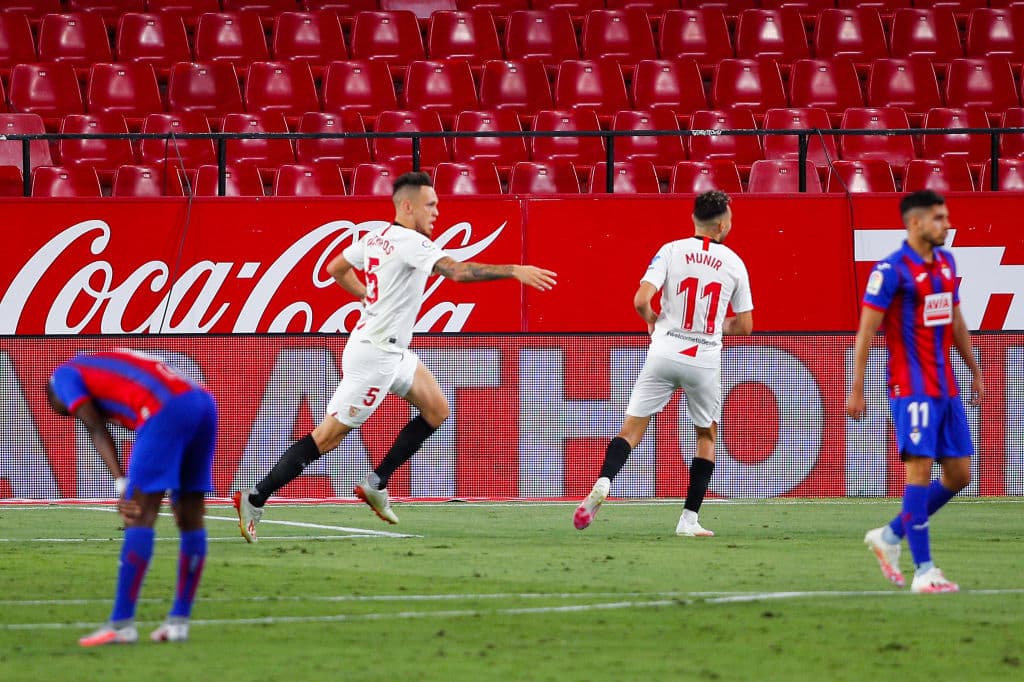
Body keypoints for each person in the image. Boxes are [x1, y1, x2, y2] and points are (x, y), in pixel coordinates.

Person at [233, 171, 557, 542]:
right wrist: (514, 270)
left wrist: (366, 297)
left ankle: (376, 483)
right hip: (375, 357)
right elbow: (457, 272)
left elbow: (336, 269)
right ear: (407, 206)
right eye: (430, 205)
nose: (437, 212)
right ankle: (254, 497)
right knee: (327, 438)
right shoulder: (410, 243)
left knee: (436, 409)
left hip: (389, 349)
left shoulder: (376, 238)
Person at [574, 190, 753, 536]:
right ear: (722, 225)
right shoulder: (733, 262)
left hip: (664, 351)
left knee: (631, 430)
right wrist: (716, 326)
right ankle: (689, 520)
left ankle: (605, 481)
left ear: (694, 220)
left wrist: (652, 319)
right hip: (703, 358)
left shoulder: (670, 250)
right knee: (706, 435)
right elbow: (745, 325)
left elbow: (641, 299)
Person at [847, 190, 983, 594]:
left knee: (959, 475)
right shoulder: (890, 270)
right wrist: (856, 387)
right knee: (919, 470)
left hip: (946, 384)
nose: (946, 224)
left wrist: (974, 369)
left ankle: (889, 535)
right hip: (911, 385)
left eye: (946, 217)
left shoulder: (946, 262)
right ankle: (925, 571)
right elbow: (866, 332)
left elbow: (955, 320)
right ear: (915, 223)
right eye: (939, 218)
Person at [47, 349, 217, 646]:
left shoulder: (63, 377)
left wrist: (121, 482)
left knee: (137, 513)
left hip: (164, 407)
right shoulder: (100, 361)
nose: (72, 413)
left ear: (55, 398)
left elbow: (95, 427)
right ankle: (178, 622)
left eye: (67, 411)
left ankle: (122, 623)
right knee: (191, 517)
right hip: (202, 402)